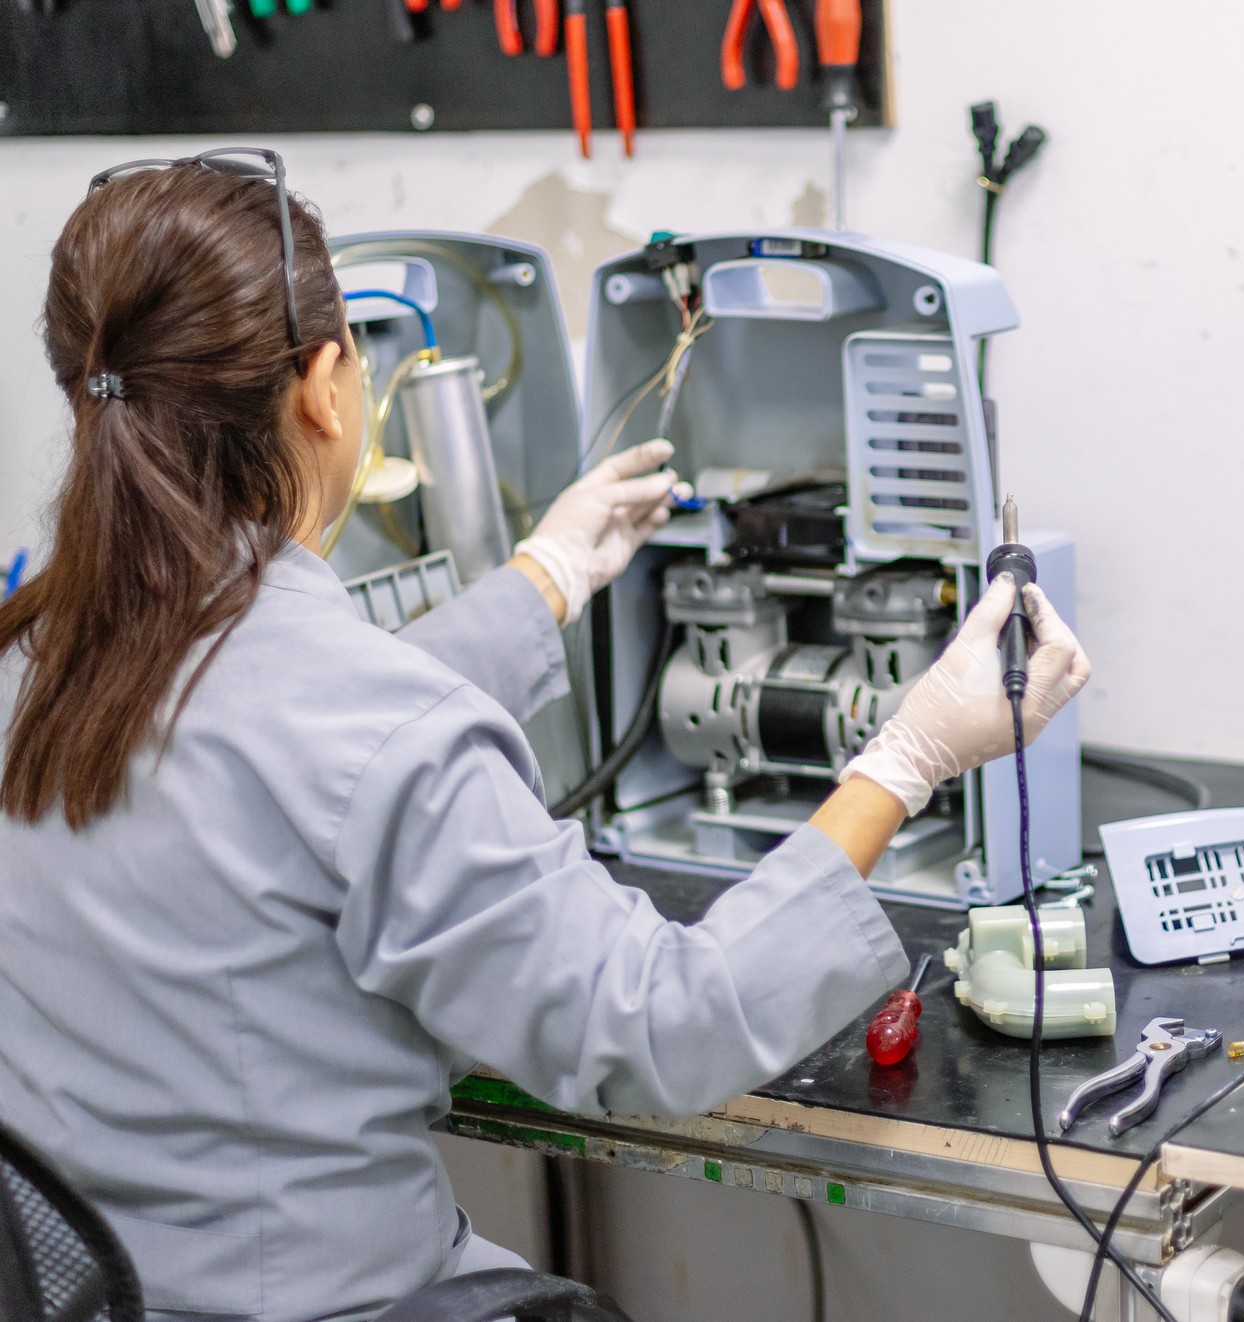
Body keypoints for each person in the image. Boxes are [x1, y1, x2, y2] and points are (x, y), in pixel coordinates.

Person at [0, 154, 1090, 1322]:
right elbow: (663, 1024)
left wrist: (548, 575)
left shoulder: (35, 655)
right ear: (325, 383)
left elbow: (297, 740)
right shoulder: (360, 725)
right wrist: (907, 756)